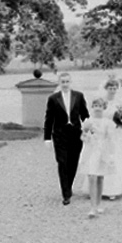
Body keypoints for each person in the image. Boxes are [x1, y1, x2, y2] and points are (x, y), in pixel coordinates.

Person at [81, 75, 122, 199]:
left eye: (114, 88)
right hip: (103, 132)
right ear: (106, 89)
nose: (112, 90)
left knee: (116, 157)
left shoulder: (119, 102)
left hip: (116, 132)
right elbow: (96, 115)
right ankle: (96, 189)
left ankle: (114, 189)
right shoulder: (102, 101)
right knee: (99, 158)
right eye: (110, 88)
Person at [44, 72, 89, 205]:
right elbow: (49, 119)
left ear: (70, 82)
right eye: (62, 82)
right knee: (62, 162)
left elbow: (84, 115)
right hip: (60, 135)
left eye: (67, 81)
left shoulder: (79, 96)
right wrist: (47, 138)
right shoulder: (53, 99)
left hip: (76, 134)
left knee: (73, 162)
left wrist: (89, 129)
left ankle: (68, 186)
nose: (65, 84)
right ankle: (66, 194)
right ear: (59, 83)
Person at [77, 97, 116, 218]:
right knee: (92, 176)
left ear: (104, 108)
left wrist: (111, 154)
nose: (97, 109)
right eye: (95, 106)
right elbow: (82, 137)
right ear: (92, 108)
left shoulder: (107, 123)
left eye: (100, 106)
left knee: (100, 177)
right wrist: (86, 134)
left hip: (102, 151)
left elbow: (110, 139)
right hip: (91, 151)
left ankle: (98, 204)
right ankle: (92, 207)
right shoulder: (88, 121)